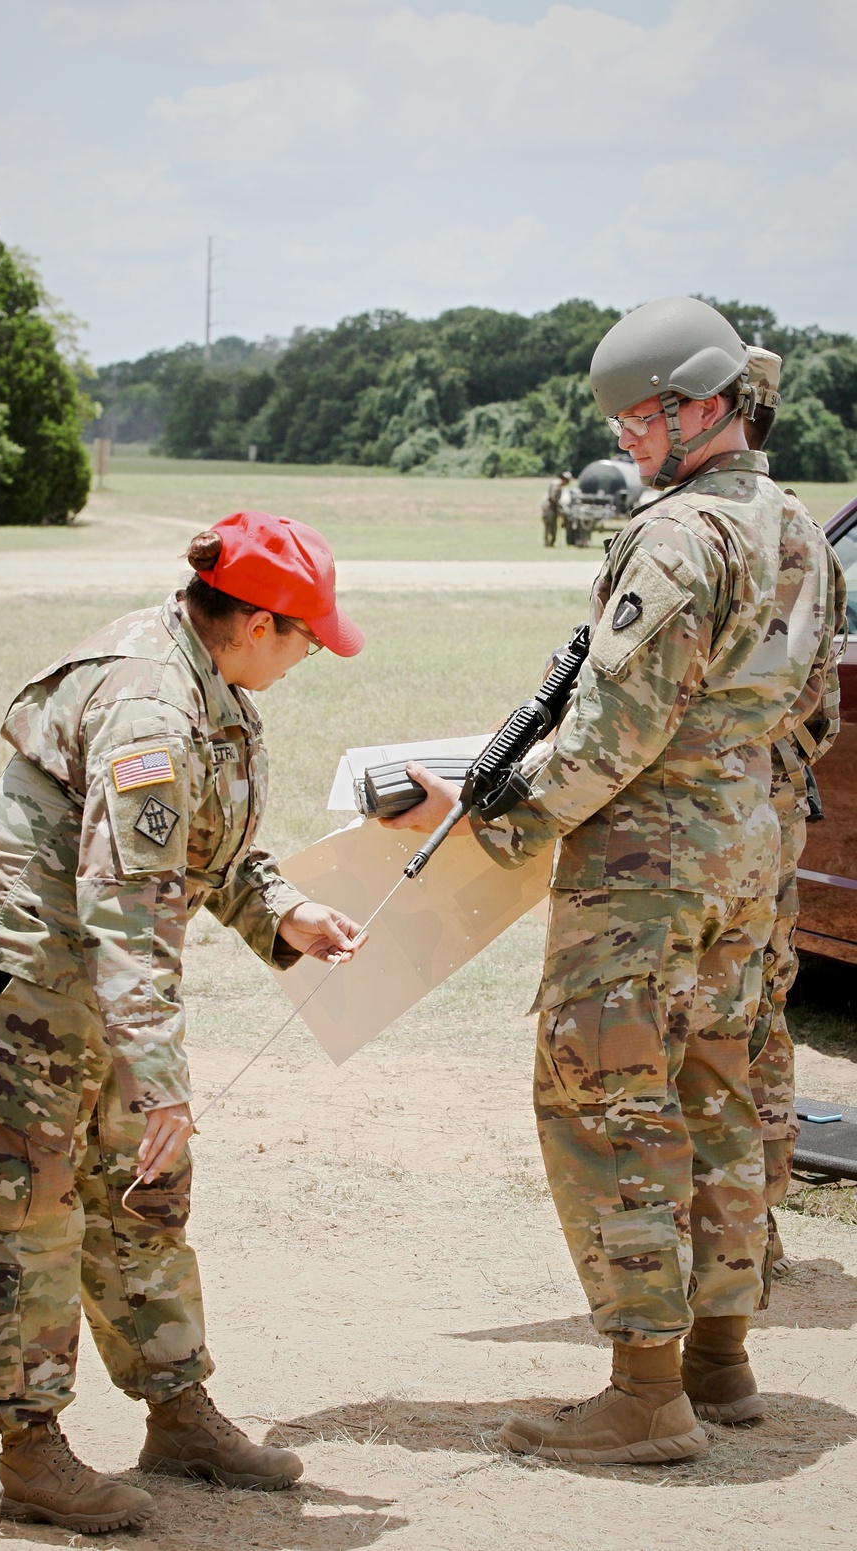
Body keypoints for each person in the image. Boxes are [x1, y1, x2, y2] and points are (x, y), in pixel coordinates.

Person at [383, 297, 840, 1463]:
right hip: (747, 847)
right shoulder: (794, 524)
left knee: (608, 1100)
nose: (625, 442)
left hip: (647, 867)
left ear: (696, 407)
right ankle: (718, 1359)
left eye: (637, 421)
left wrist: (496, 828)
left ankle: (644, 1395)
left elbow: (607, 738)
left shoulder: (679, 535)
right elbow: (815, 715)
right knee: (717, 1090)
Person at [0, 510, 367, 1533]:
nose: (310, 653)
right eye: (304, 635)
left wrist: (280, 908)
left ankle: (176, 1409)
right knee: (24, 1207)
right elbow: (125, 902)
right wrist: (161, 1079)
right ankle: (29, 1448)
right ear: (255, 622)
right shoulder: (152, 711)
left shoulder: (212, 679)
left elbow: (196, 850)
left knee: (142, 1186)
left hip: (95, 962)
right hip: (20, 968)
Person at [739, 348, 847, 1276]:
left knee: (705, 1021)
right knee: (766, 1011)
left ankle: (724, 1238)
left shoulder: (713, 528)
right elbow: (823, 710)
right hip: (776, 809)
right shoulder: (810, 535)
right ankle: (758, 1228)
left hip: (707, 815)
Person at [542, 470, 572, 547]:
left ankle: (551, 542)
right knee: (549, 526)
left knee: (553, 526)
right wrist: (559, 507)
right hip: (549, 508)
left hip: (552, 508)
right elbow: (553, 498)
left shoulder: (558, 484)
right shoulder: (556, 484)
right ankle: (547, 542)